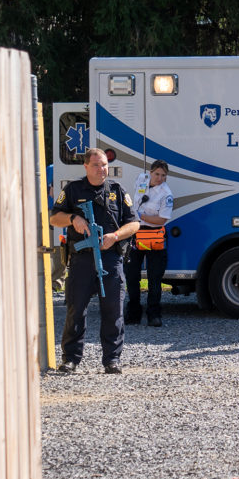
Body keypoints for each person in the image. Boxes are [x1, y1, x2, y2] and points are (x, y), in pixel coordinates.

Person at [50, 148, 139, 374]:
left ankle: (112, 359)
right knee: (75, 309)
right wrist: (73, 218)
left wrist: (115, 236)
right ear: (86, 167)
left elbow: (134, 224)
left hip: (110, 259)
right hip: (81, 260)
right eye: (97, 165)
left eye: (105, 165)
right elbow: (54, 217)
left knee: (113, 310)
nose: (102, 169)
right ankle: (71, 359)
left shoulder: (117, 191)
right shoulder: (73, 189)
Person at [125, 159, 174, 327]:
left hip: (154, 236)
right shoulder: (141, 179)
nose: (159, 178)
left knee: (154, 278)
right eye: (157, 174)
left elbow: (161, 219)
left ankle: (154, 313)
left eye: (163, 175)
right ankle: (133, 312)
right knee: (132, 276)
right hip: (136, 234)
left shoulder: (166, 194)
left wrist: (140, 216)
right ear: (150, 172)